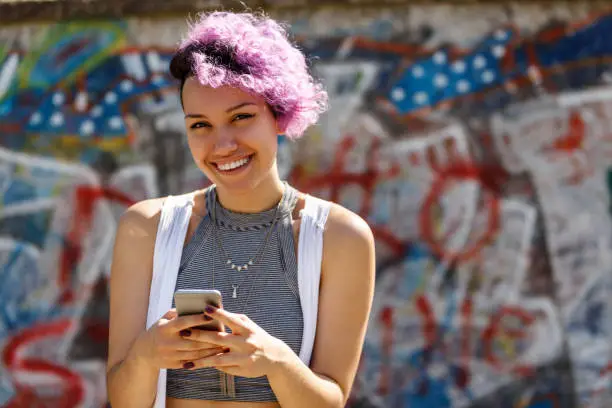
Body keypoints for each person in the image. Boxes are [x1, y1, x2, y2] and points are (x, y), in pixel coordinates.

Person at [106, 10, 375, 408]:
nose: (223, 144)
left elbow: (330, 400)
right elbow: (123, 400)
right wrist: (147, 355)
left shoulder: (341, 237)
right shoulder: (145, 228)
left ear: (280, 114)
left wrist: (276, 362)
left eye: (242, 117)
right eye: (200, 125)